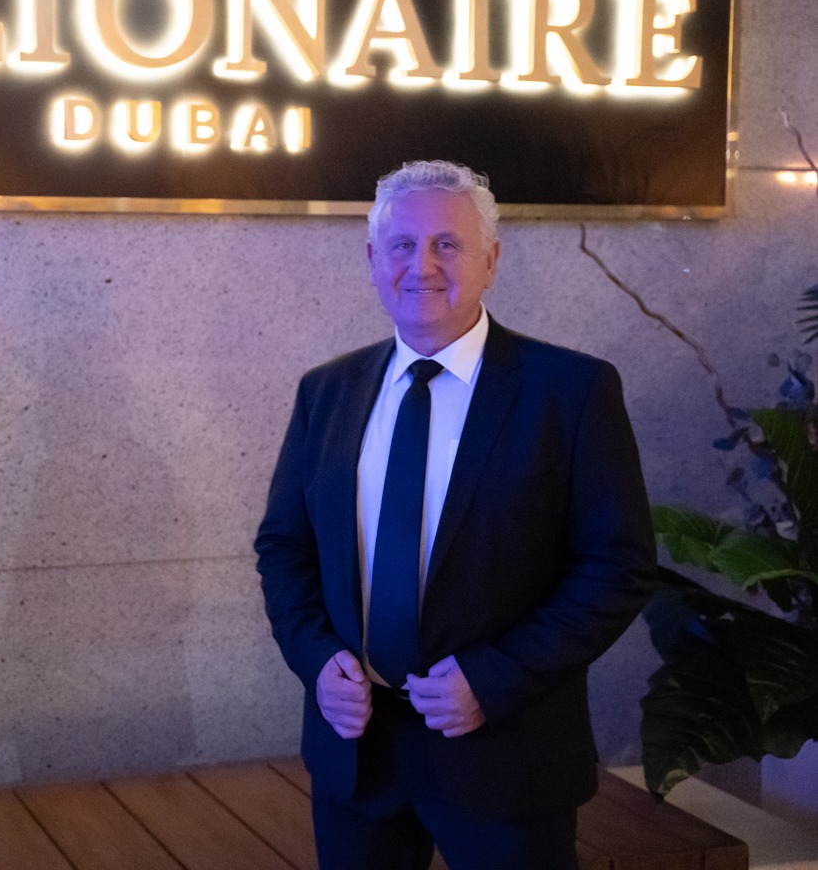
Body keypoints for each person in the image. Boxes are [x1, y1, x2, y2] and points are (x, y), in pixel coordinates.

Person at [254, 160, 656, 870]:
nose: (423, 265)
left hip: (506, 755)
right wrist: (316, 661)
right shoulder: (327, 391)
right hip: (358, 755)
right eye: (403, 245)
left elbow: (617, 566)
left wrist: (495, 679)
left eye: (448, 244)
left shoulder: (572, 392)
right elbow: (285, 548)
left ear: (491, 260)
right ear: (372, 260)